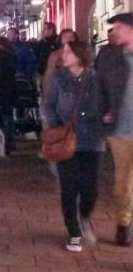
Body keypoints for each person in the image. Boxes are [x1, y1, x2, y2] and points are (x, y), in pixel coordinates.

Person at [42, 40, 104, 253]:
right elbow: (48, 105)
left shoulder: (95, 78)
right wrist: (56, 126)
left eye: (68, 51)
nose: (63, 54)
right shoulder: (58, 78)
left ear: (80, 55)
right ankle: (74, 231)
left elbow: (103, 104)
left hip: (91, 140)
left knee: (90, 190)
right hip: (65, 140)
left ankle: (84, 215)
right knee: (68, 188)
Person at [98, 12, 133, 247]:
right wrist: (104, 110)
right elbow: (98, 87)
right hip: (121, 129)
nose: (114, 31)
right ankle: (123, 222)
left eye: (119, 27)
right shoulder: (108, 56)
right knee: (122, 183)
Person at [0, 36, 18, 156]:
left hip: (2, 90)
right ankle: (11, 142)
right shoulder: (11, 55)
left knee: (4, 118)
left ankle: (6, 144)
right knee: (9, 117)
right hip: (10, 89)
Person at [42, 29, 78, 97]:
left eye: (71, 37)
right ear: (61, 39)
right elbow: (49, 75)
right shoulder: (55, 55)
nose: (69, 39)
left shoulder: (81, 53)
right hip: (61, 91)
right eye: (66, 37)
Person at [34, 22, 59, 87]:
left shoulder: (57, 41)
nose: (43, 31)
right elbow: (36, 54)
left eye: (45, 29)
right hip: (42, 72)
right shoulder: (42, 42)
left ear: (51, 30)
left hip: (53, 73)